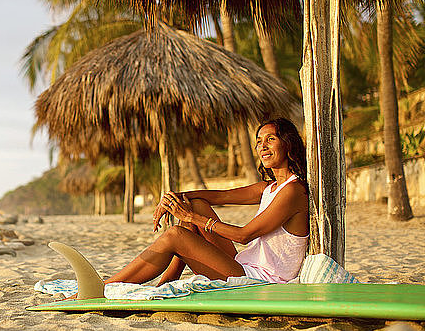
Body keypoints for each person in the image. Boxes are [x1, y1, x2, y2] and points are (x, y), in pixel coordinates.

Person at [104, 118, 309, 285]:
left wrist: (190, 217)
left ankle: (105, 287)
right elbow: (220, 196)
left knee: (175, 235)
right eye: (258, 141)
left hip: (262, 280)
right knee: (198, 203)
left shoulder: (293, 191)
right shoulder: (268, 187)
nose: (262, 146)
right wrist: (171, 197)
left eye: (270, 139)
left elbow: (244, 235)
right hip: (244, 266)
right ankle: (166, 283)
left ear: (287, 143)